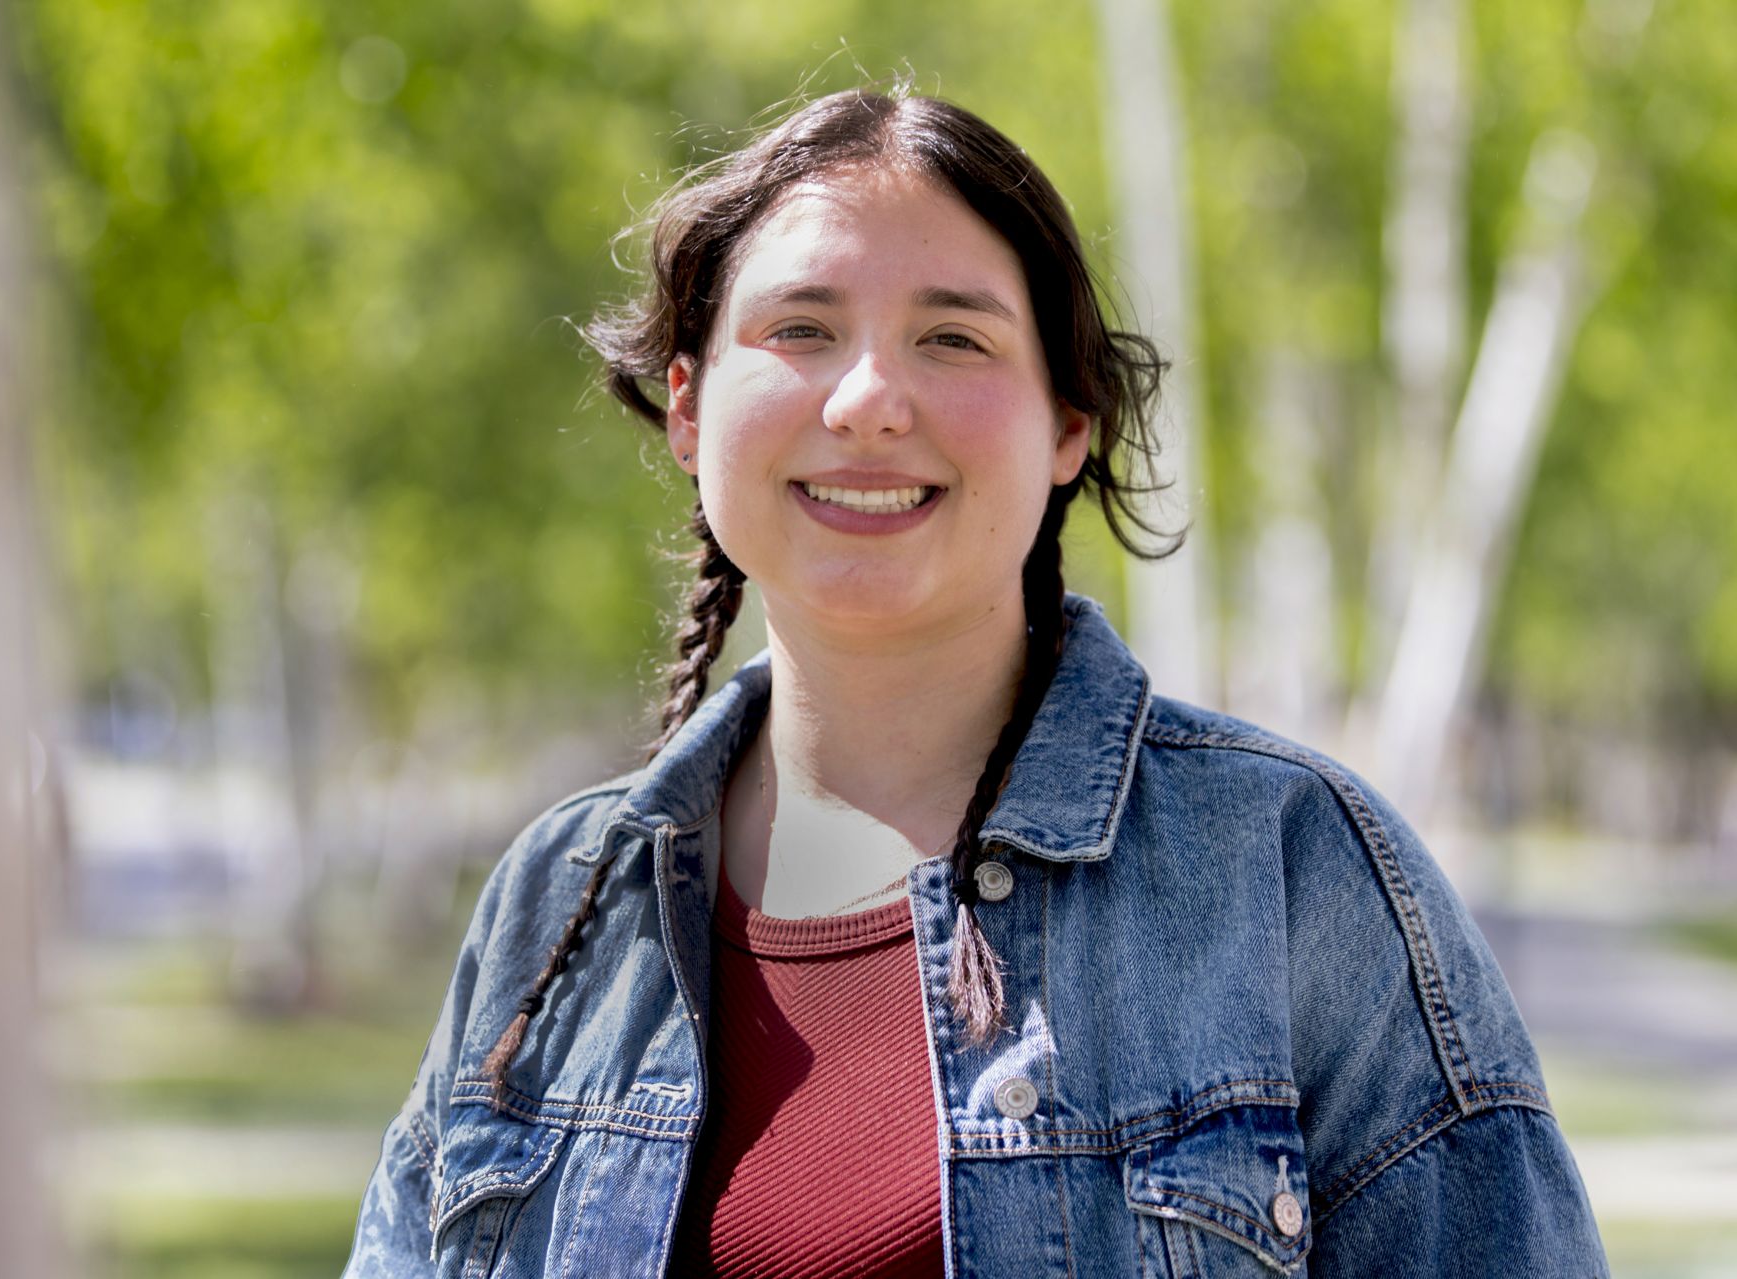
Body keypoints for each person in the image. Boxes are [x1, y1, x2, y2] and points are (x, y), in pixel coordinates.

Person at [344, 87, 1608, 1278]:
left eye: (950, 336)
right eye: (800, 329)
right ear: (686, 406)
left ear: (1069, 423)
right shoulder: (557, 901)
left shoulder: (1286, 866)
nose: (868, 400)